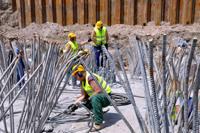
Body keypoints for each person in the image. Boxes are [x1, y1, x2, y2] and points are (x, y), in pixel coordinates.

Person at [71, 64, 111, 131]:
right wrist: (75, 103)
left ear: (80, 73)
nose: (76, 78)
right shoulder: (82, 81)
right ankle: (98, 112)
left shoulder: (90, 78)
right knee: (85, 103)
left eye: (76, 75)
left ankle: (98, 123)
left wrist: (89, 99)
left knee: (94, 99)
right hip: (98, 96)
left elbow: (98, 90)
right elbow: (83, 95)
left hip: (106, 97)